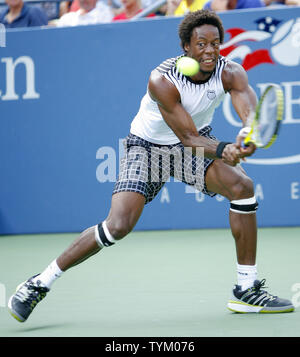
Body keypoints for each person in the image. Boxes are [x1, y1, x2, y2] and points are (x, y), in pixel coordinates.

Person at [8, 9, 294, 323]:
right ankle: (39, 283)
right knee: (117, 226)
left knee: (243, 188)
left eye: (216, 43)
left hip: (194, 144)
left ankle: (246, 289)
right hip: (147, 148)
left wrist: (247, 135)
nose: (210, 50)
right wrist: (226, 149)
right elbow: (188, 137)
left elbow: (250, 117)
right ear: (186, 46)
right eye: (201, 44)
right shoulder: (162, 80)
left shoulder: (231, 73)